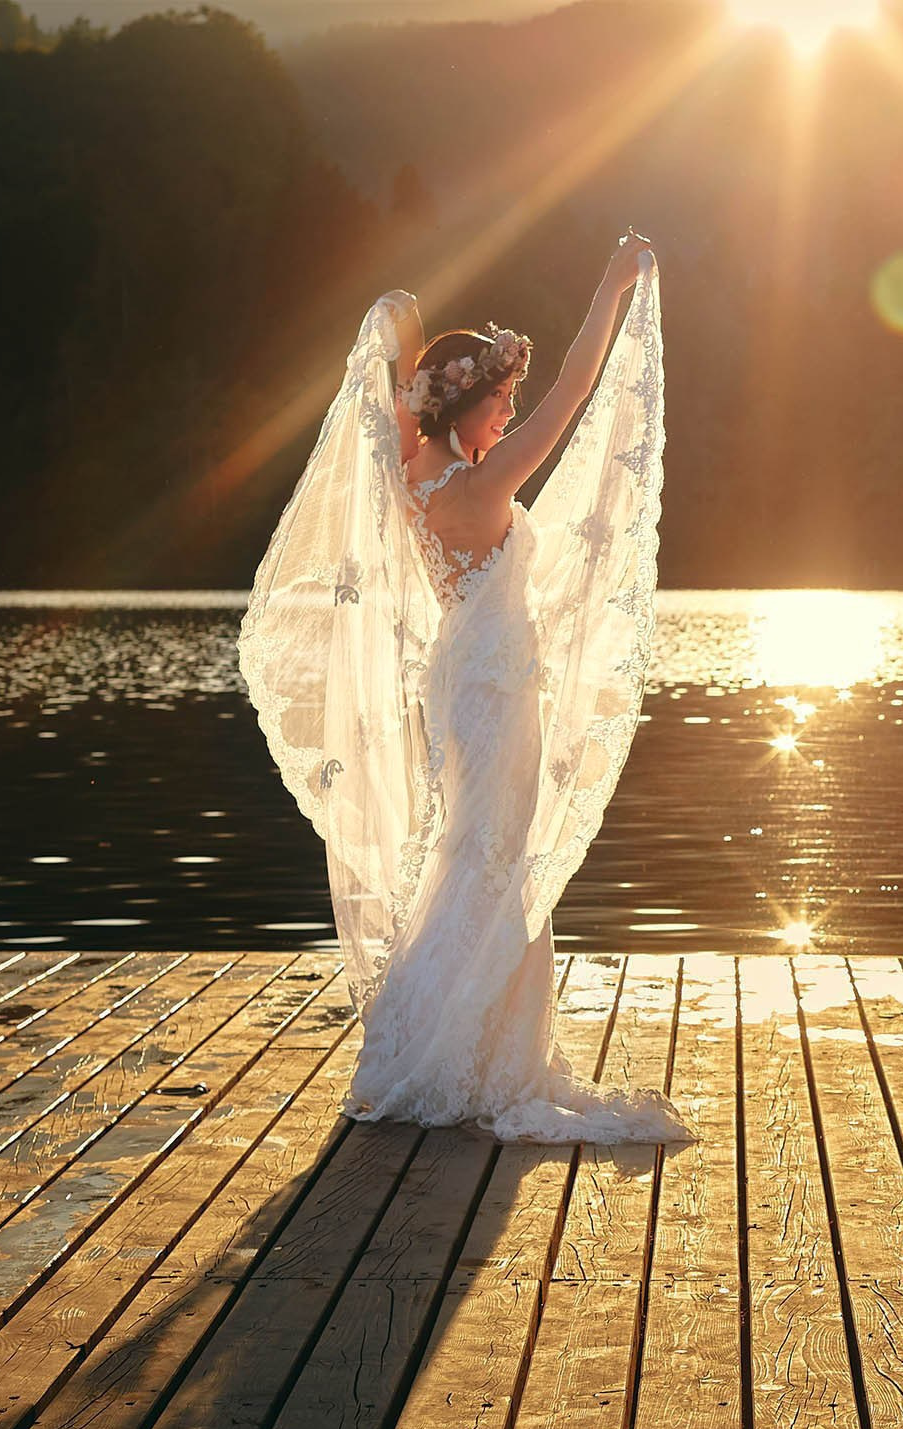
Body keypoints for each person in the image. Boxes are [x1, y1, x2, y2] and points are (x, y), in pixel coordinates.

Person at [238, 231, 690, 1146]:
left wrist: (421, 356)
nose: (507, 417)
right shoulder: (478, 492)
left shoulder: (413, 477)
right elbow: (572, 397)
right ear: (465, 406)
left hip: (465, 685)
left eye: (507, 403)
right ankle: (466, 1053)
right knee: (495, 856)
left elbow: (417, 360)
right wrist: (612, 283)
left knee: (473, 854)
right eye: (498, 402)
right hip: (491, 691)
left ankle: (445, 1036)